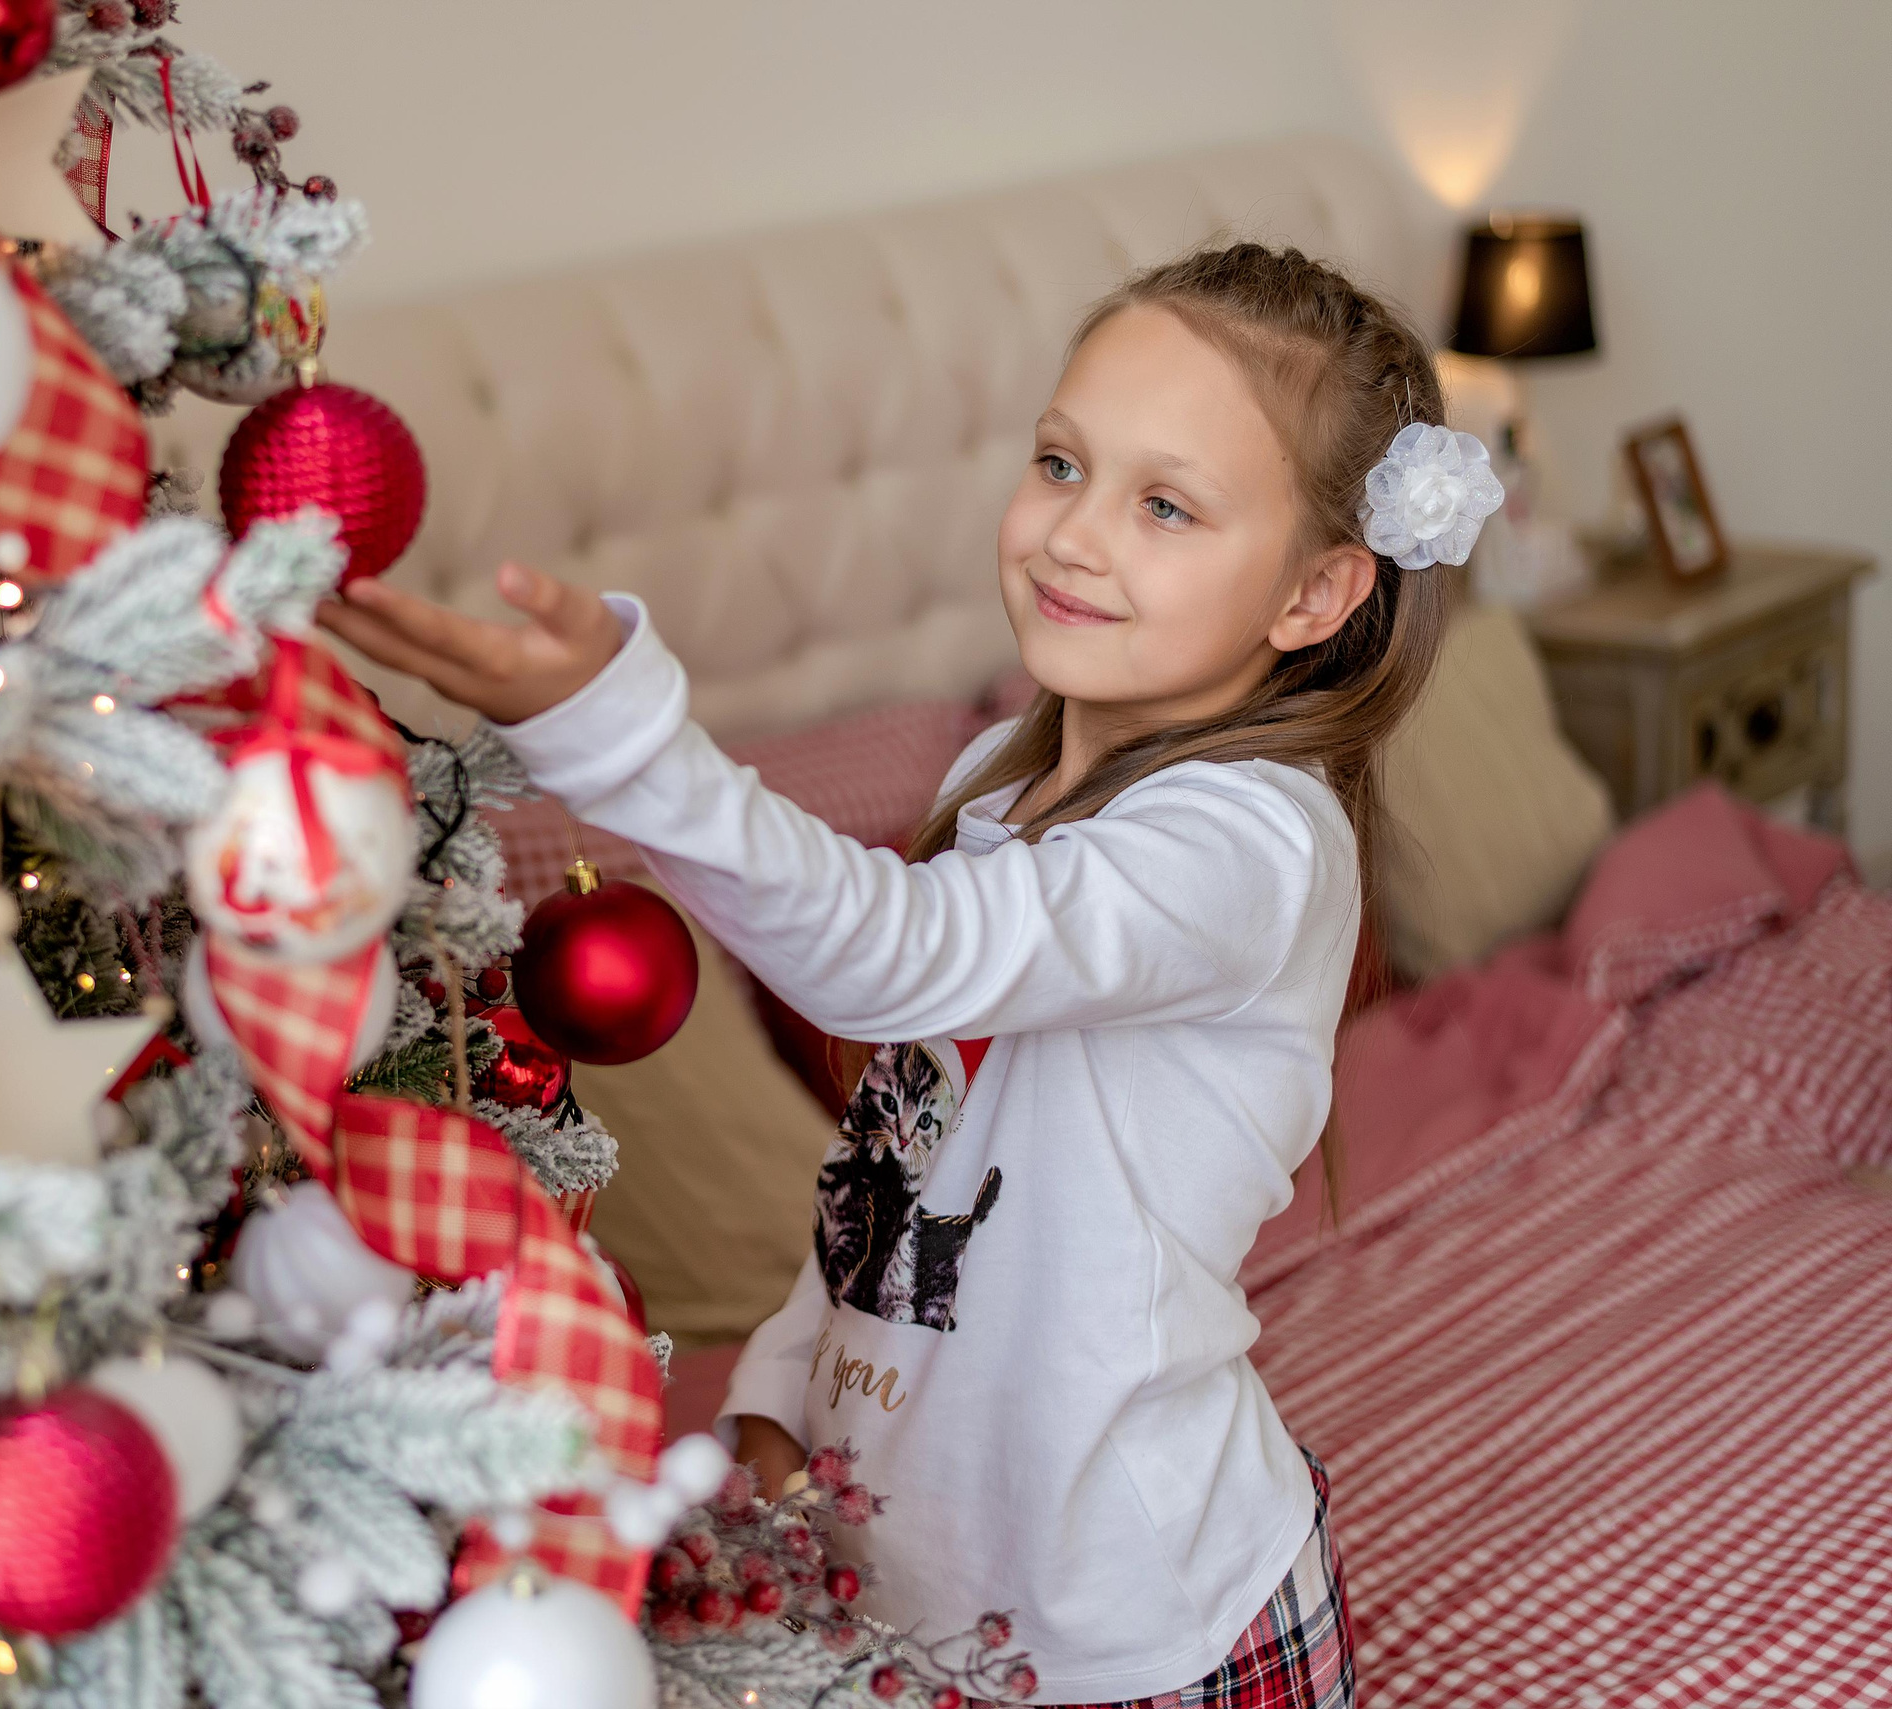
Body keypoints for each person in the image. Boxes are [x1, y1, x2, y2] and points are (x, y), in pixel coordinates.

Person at [320, 241, 1501, 1707]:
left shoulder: (1252, 846)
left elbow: (892, 956)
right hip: (918, 1601)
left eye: (1166, 505)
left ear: (1315, 594)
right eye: (1061, 463)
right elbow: (899, 1165)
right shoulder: (999, 791)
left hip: (1135, 1627)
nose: (1073, 535)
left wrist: (629, 744)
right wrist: (778, 1381)